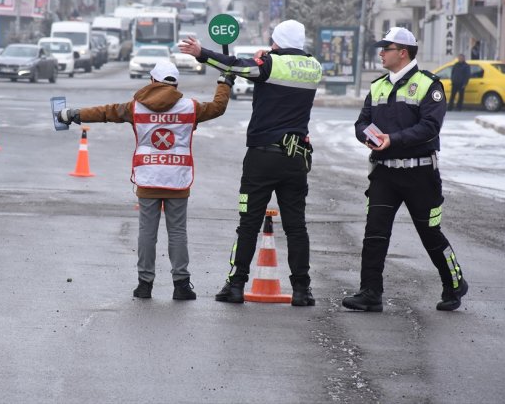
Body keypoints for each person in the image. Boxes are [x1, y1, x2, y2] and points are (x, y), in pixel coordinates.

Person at [57, 60, 232, 300]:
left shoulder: (136, 107)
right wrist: (224, 82)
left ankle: (144, 285)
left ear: (152, 81)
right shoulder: (190, 107)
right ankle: (181, 285)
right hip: (177, 179)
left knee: (147, 232)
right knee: (178, 232)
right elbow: (218, 107)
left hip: (148, 177)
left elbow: (106, 112)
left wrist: (74, 114)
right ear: (175, 83)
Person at [179, 19, 323, 307]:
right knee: (296, 226)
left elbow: (235, 65)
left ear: (278, 42)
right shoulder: (313, 68)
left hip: (262, 156)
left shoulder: (268, 65)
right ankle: (302, 290)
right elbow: (275, 62)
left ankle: (236, 285)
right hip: (296, 158)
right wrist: (269, 55)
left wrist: (201, 53)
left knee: (249, 223)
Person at [342, 27, 468, 313]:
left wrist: (392, 139)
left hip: (420, 174)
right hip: (384, 173)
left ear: (403, 52)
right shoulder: (378, 86)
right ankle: (370, 293)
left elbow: (429, 127)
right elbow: (361, 123)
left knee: (430, 234)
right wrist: (368, 137)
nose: (381, 52)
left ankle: (454, 282)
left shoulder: (428, 85)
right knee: (375, 232)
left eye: (386, 48)